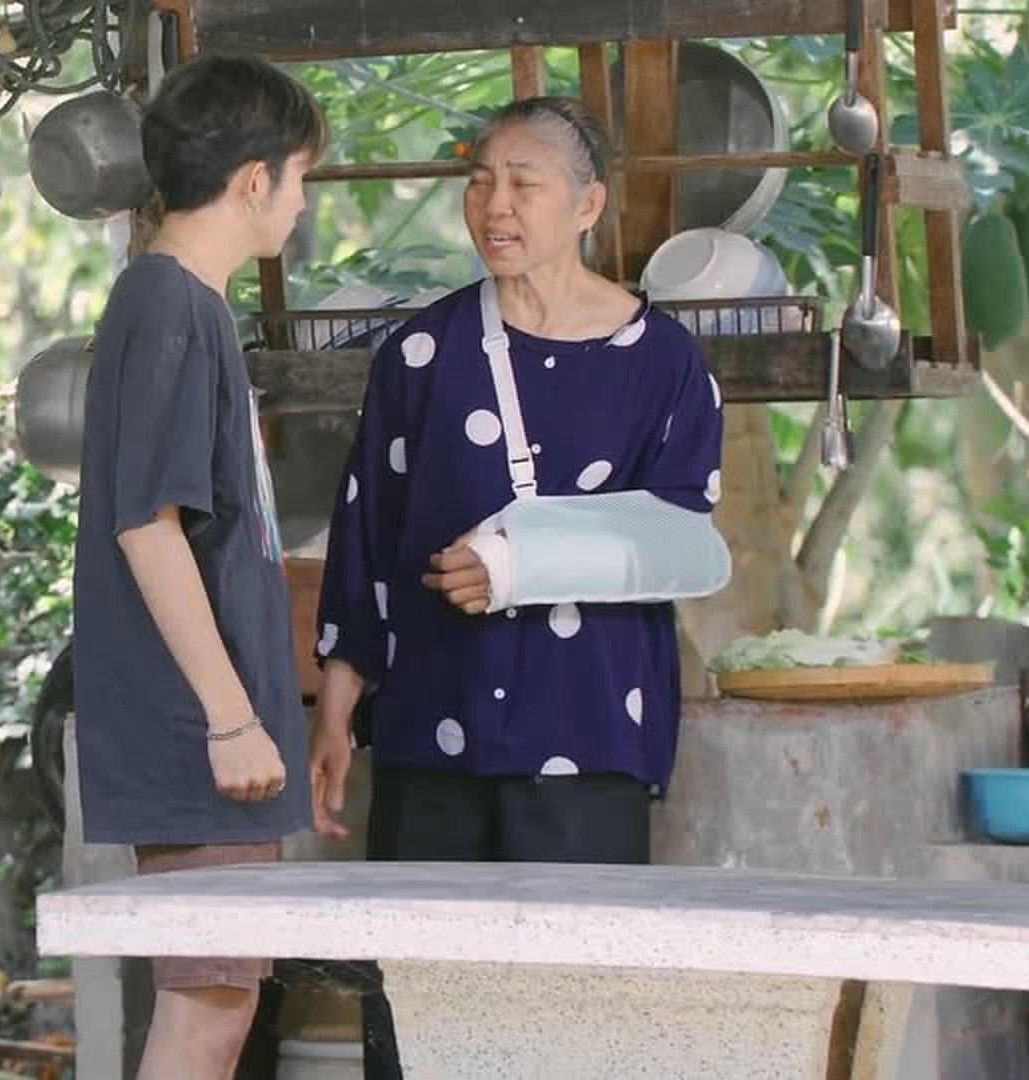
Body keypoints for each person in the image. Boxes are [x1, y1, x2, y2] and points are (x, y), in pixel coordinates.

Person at [308, 95, 731, 1075]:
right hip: (432, 731)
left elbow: (679, 539)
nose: (494, 204)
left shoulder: (666, 364)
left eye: (522, 183)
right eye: (479, 181)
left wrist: (518, 564)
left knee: (571, 1026)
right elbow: (367, 536)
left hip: (590, 733)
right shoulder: (421, 354)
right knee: (421, 1021)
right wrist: (335, 704)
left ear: (587, 206)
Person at [70, 54, 338, 1080]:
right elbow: (148, 529)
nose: (301, 203)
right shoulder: (171, 304)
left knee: (217, 1009)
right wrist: (231, 720)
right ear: (255, 179)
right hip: (198, 736)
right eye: (300, 177)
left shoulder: (184, 303)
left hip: (214, 733)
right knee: (207, 1014)